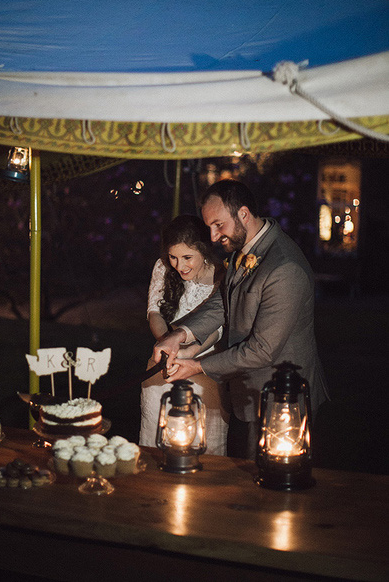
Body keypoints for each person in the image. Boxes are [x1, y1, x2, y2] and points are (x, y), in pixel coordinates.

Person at [152, 180, 329, 460]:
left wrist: (197, 365)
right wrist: (180, 335)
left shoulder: (285, 268)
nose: (212, 236)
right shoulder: (242, 248)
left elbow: (262, 349)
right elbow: (224, 301)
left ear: (243, 214)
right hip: (247, 391)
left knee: (272, 493)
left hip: (282, 400)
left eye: (218, 225)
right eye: (209, 226)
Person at [139, 214, 229, 455]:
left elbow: (216, 328)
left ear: (205, 251)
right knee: (156, 443)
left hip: (204, 370)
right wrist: (167, 345)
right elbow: (154, 312)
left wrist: (188, 352)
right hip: (163, 367)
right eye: (174, 257)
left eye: (187, 257)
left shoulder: (223, 275)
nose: (179, 266)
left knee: (204, 449)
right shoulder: (162, 267)